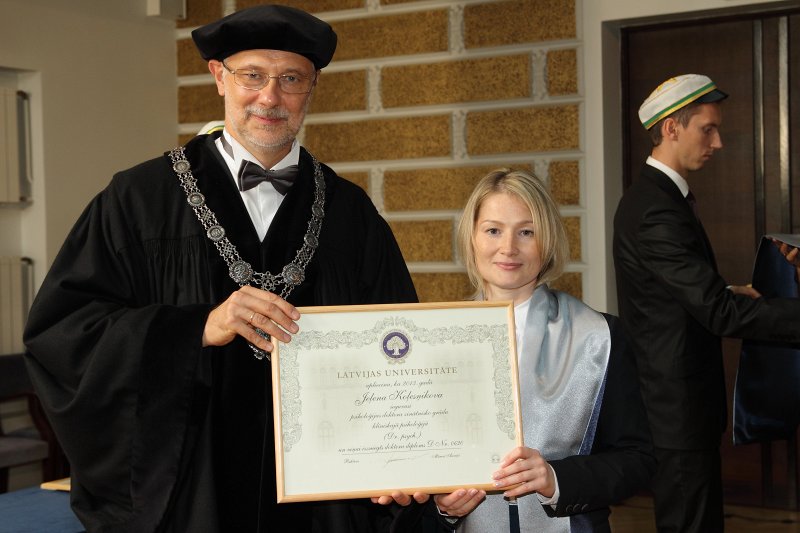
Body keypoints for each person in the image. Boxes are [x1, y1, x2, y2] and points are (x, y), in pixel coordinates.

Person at [23, 5, 420, 532]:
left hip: (323, 500)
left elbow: (399, 348)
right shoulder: (139, 201)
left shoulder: (351, 214)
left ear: (312, 88)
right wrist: (194, 329)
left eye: (291, 79)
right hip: (192, 491)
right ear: (218, 78)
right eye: (252, 75)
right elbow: (63, 334)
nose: (270, 97)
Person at [407, 169, 656, 532]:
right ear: (472, 238)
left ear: (548, 240)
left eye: (527, 232)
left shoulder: (599, 336)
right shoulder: (433, 340)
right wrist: (442, 506)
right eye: (493, 230)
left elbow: (638, 459)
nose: (508, 248)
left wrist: (557, 478)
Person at [613, 73, 800, 533]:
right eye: (707, 129)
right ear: (671, 129)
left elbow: (676, 294)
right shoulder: (656, 207)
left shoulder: (661, 200)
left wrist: (732, 291)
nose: (717, 143)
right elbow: (715, 311)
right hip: (675, 406)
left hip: (682, 403)